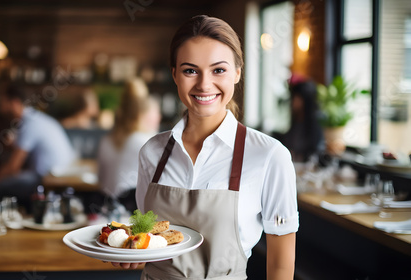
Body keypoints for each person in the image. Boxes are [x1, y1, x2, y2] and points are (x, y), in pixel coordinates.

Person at [113, 15, 298, 279]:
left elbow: (280, 264)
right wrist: (130, 253)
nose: (204, 84)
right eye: (190, 70)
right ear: (175, 74)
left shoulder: (269, 155)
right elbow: (151, 240)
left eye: (218, 70)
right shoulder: (152, 152)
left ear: (237, 72)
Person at [0, 85, 76, 212]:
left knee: (0, 188)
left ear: (14, 102)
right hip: (61, 173)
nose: (0, 108)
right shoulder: (36, 118)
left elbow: (13, 167)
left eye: (2, 103)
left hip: (48, 179)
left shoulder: (28, 123)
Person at [98, 78, 161, 213]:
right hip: (133, 212)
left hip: (106, 209)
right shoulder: (145, 141)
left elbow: (101, 181)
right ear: (144, 112)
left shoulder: (107, 140)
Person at [279, 74, 324, 162]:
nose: (292, 102)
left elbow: (315, 152)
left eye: (296, 98)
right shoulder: (296, 121)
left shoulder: (317, 123)